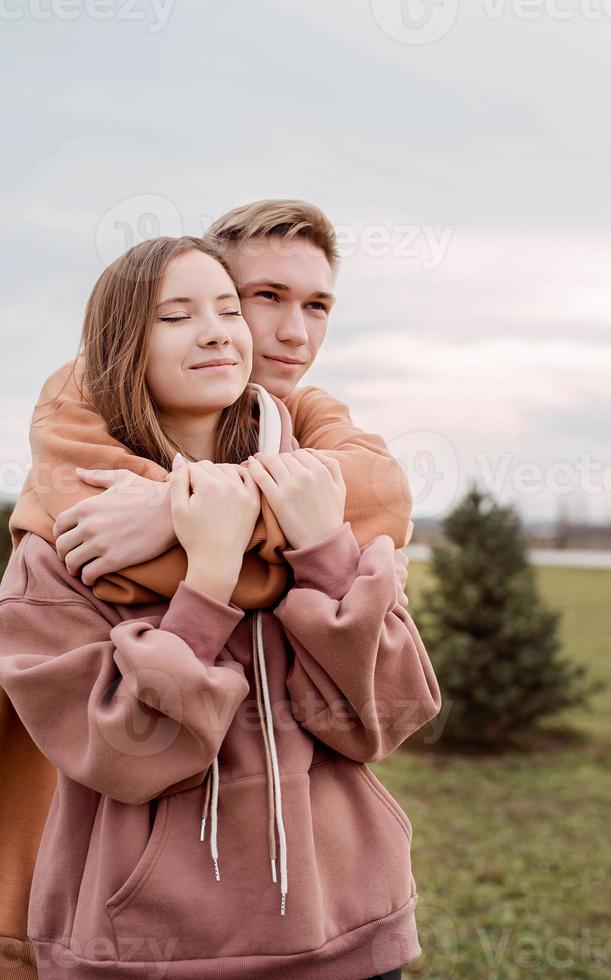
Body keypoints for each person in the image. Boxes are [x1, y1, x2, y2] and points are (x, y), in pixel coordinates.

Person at [0, 235, 442, 979]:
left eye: (228, 309)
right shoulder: (61, 549)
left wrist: (323, 556)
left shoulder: (323, 504)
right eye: (175, 316)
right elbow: (126, 754)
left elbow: (386, 717)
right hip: (149, 950)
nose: (216, 331)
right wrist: (205, 580)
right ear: (118, 348)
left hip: (350, 933)